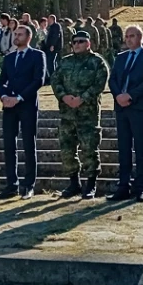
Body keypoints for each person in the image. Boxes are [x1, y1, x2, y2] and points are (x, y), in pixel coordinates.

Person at [50, 30, 109, 199]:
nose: (76, 44)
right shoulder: (65, 62)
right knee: (67, 149)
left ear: (88, 43)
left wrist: (82, 99)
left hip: (87, 114)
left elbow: (99, 84)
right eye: (74, 42)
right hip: (67, 113)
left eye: (81, 41)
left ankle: (90, 185)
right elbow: (55, 80)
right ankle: (74, 183)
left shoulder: (97, 62)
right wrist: (64, 96)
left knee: (89, 148)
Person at [0, 26, 46, 200]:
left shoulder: (37, 55)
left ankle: (28, 184)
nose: (16, 36)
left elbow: (39, 79)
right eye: (15, 34)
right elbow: (2, 80)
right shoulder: (9, 58)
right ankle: (11, 184)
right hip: (9, 106)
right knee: (9, 145)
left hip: (27, 105)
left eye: (20, 34)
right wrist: (3, 96)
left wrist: (20, 97)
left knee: (28, 144)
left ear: (28, 37)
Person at [107, 25, 143, 203]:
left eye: (132, 36)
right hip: (121, 108)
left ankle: (141, 187)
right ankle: (123, 186)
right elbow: (112, 79)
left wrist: (130, 96)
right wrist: (118, 95)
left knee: (141, 148)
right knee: (124, 148)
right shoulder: (120, 57)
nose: (128, 39)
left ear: (140, 37)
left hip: (138, 107)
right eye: (126, 36)